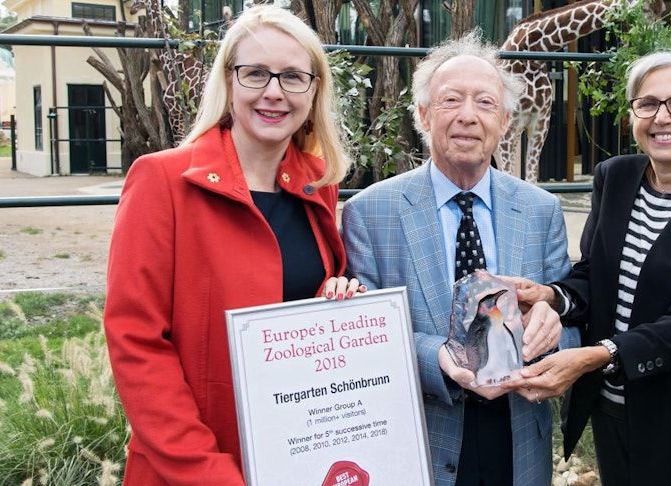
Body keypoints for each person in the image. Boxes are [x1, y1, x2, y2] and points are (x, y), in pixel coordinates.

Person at [103, 6, 361, 484]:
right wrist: (206, 471)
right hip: (195, 466)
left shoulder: (317, 187)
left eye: (292, 77)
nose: (273, 92)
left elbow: (300, 305)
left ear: (314, 90)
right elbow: (136, 342)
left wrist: (337, 301)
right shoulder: (161, 181)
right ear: (228, 81)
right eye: (256, 73)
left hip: (300, 457)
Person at [503, 50, 671, 485]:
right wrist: (551, 295)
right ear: (633, 116)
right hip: (614, 410)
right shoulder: (616, 177)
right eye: (647, 104)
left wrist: (597, 355)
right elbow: (596, 275)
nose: (662, 117)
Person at [333, 30, 577, 486]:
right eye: (451, 101)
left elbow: (568, 312)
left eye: (485, 103)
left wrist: (552, 331)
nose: (468, 116)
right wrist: (438, 358)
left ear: (505, 120)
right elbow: (364, 337)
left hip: (519, 436)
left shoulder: (542, 210)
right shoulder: (371, 212)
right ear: (424, 115)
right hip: (424, 435)